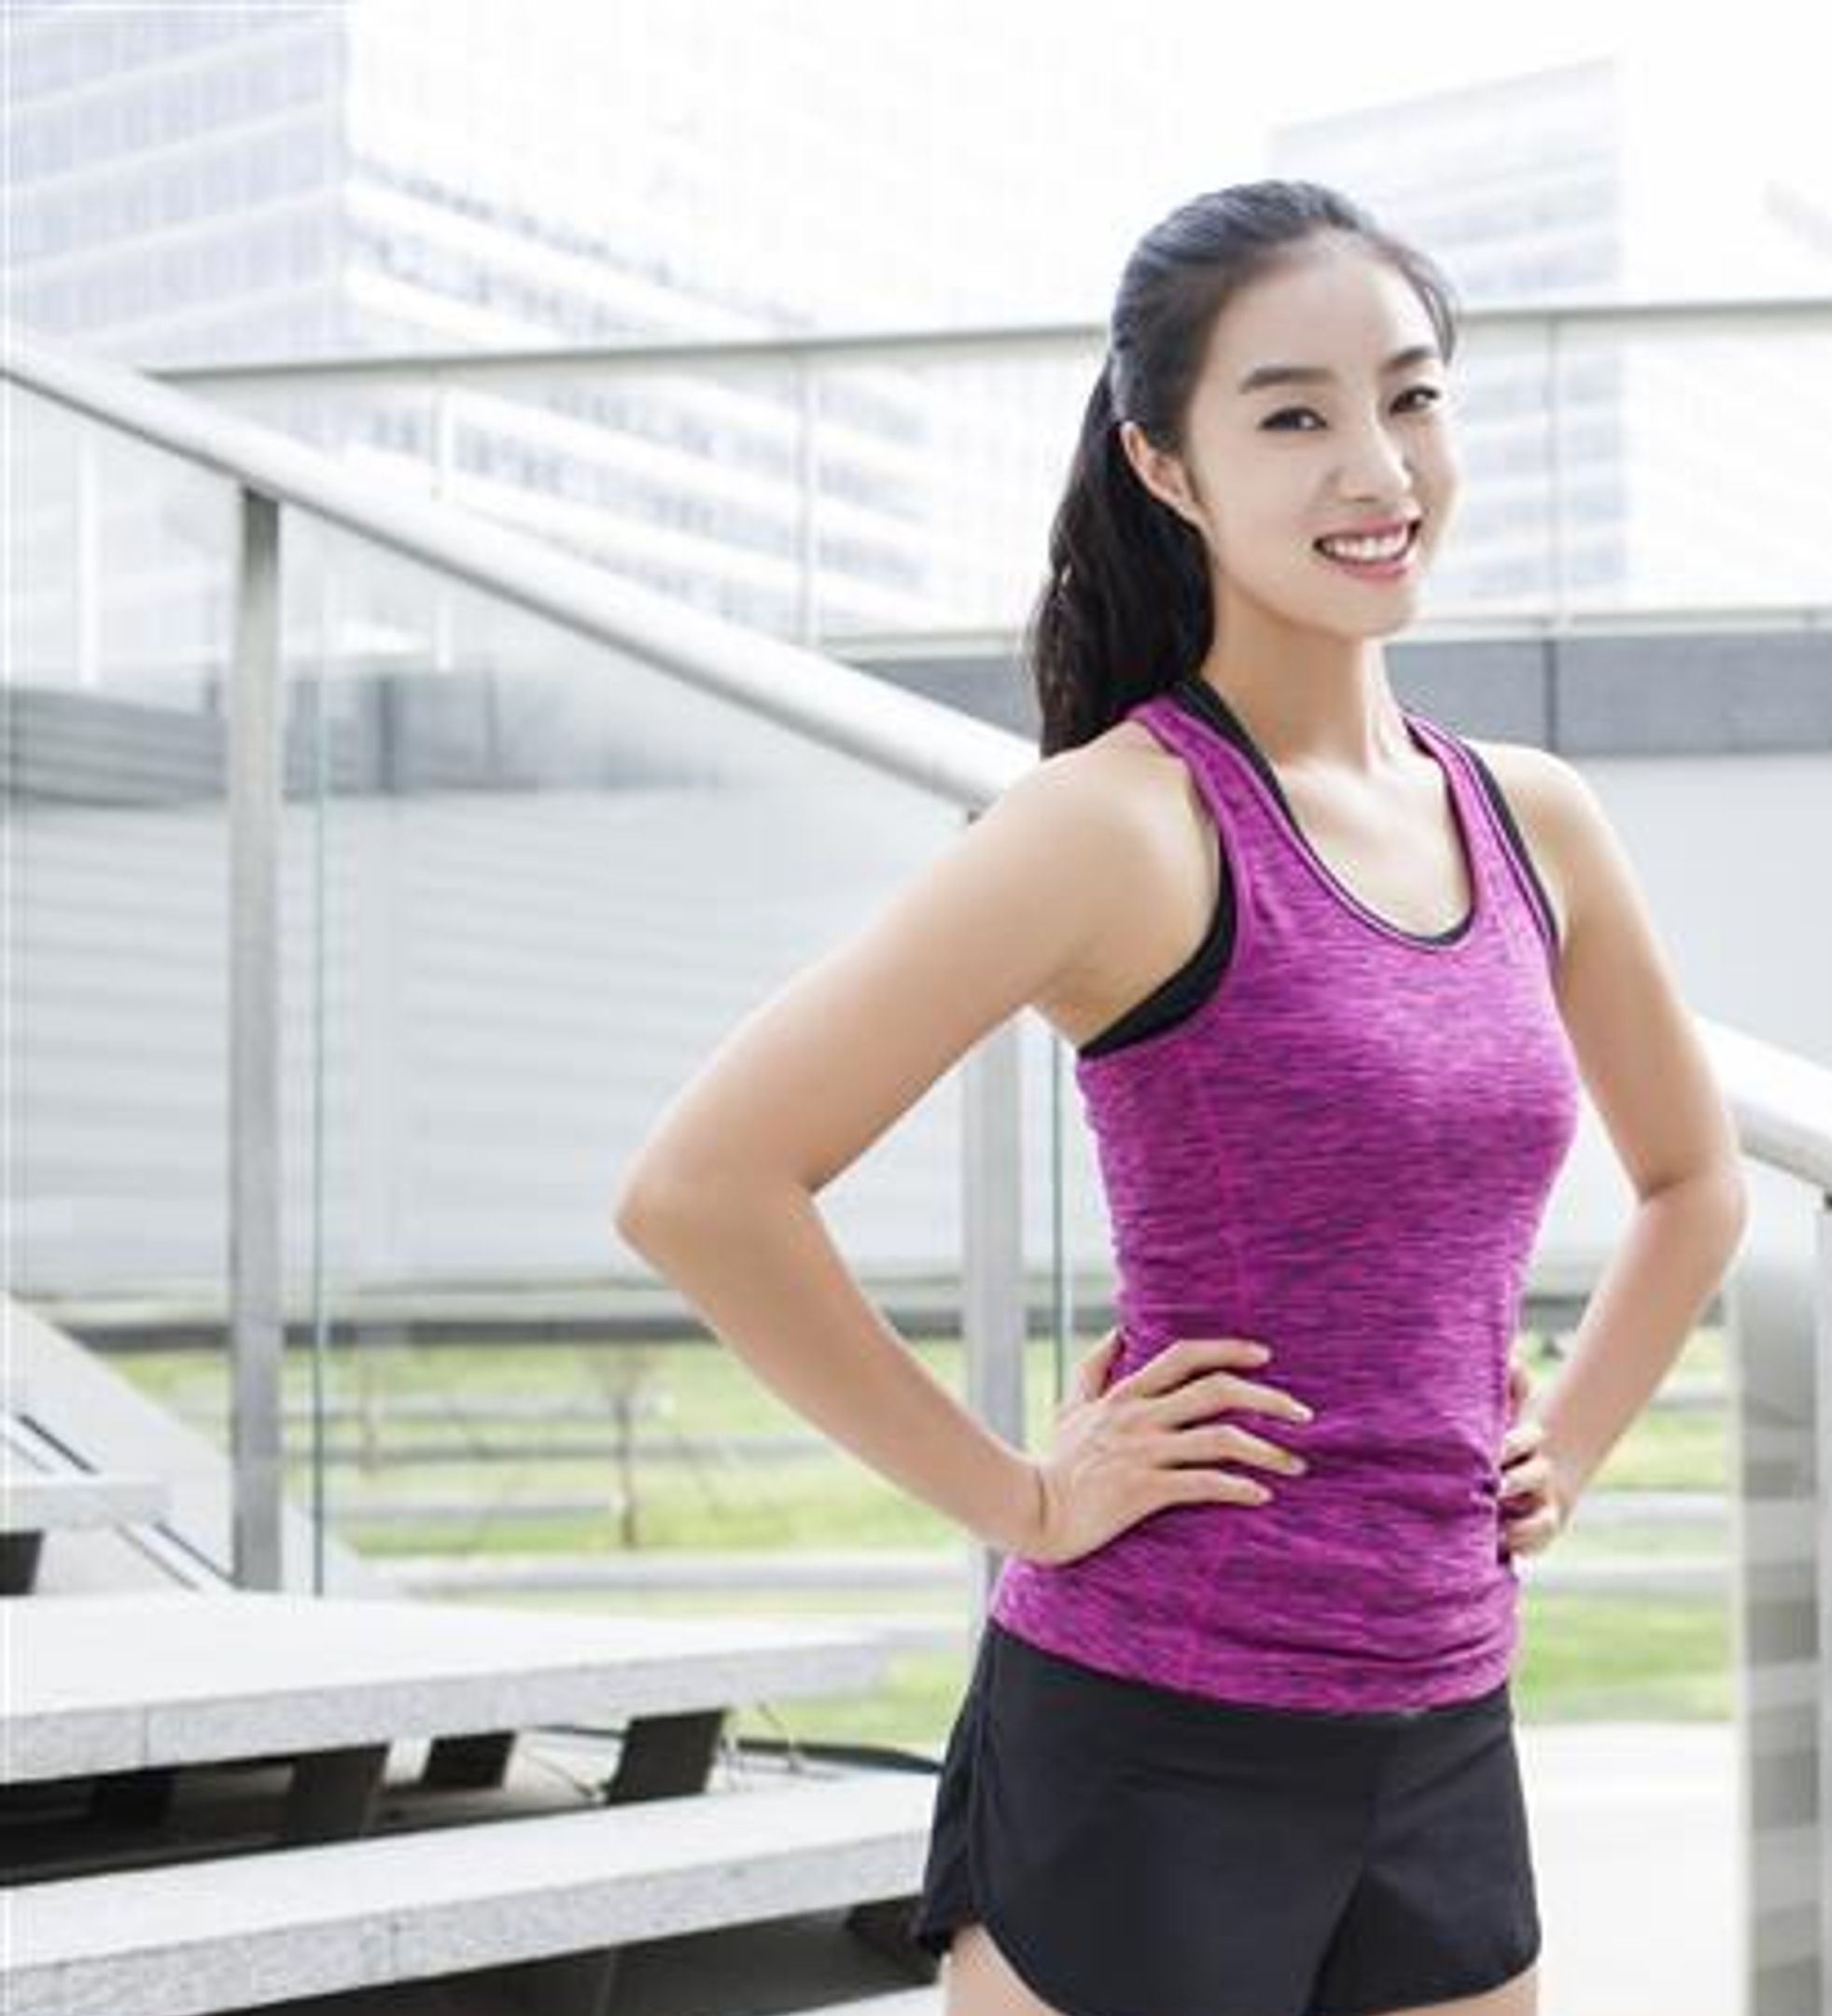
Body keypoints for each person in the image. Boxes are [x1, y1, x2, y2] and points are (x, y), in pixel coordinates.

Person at [615, 179, 1745, 2016]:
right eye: (1293, 415)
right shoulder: (1114, 822)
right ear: (1167, 467)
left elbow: (1694, 1179)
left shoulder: (1533, 818)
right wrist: (1021, 1498)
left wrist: (1579, 1443)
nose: (1376, 465)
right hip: (1159, 1729)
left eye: (1414, 395)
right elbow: (705, 1186)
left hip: (1445, 1711)